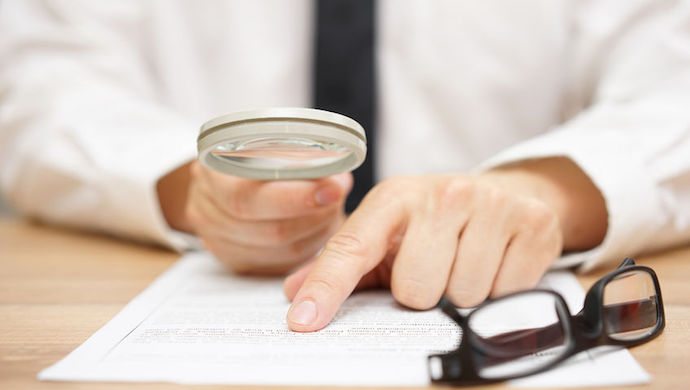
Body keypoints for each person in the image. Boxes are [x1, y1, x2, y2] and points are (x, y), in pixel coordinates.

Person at [1, 1, 689, 333]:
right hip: (195, 281)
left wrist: (546, 190)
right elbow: (38, 77)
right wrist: (192, 187)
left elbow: (675, 81)